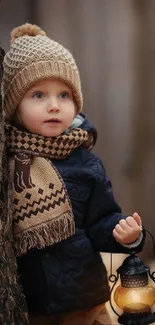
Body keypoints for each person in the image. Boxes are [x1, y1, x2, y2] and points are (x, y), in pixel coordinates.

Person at [2, 23, 145, 325]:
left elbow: (101, 220)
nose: (54, 106)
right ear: (14, 106)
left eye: (64, 95)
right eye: (38, 95)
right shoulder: (8, 161)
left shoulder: (84, 162)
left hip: (83, 299)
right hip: (29, 304)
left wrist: (125, 234)